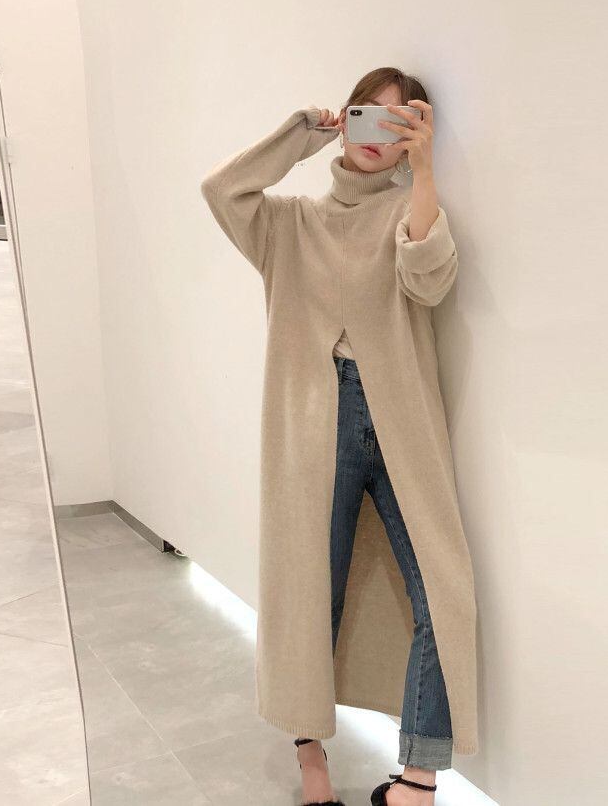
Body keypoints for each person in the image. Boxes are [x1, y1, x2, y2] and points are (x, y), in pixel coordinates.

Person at [200, 67, 479, 806]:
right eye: (366, 115)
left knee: (443, 592)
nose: (377, 135)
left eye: (398, 123)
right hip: (313, 426)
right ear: (345, 119)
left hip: (401, 424)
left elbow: (429, 280)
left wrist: (425, 173)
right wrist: (300, 135)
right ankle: (312, 761)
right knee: (308, 596)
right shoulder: (290, 224)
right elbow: (222, 191)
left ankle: (416, 780)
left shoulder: (409, 214)